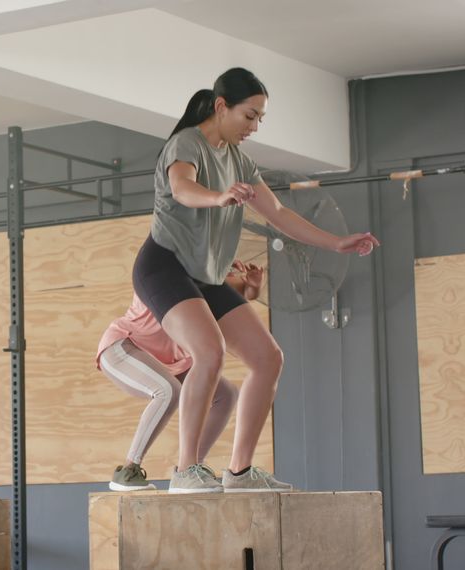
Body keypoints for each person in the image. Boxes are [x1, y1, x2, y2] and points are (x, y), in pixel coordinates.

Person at [133, 67, 380, 493]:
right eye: (250, 116)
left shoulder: (241, 161)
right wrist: (220, 197)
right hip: (165, 265)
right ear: (221, 106)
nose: (255, 126)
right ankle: (184, 470)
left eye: (261, 119)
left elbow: (280, 215)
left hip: (206, 274)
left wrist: (336, 243)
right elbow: (182, 188)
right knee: (209, 351)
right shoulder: (186, 143)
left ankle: (240, 472)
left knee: (269, 358)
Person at [99, 262, 264, 493]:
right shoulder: (164, 271)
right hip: (124, 347)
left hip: (171, 362)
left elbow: (241, 294)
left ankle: (190, 468)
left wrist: (253, 286)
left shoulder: (205, 284)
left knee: (226, 394)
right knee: (168, 391)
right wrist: (218, 272)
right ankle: (128, 469)